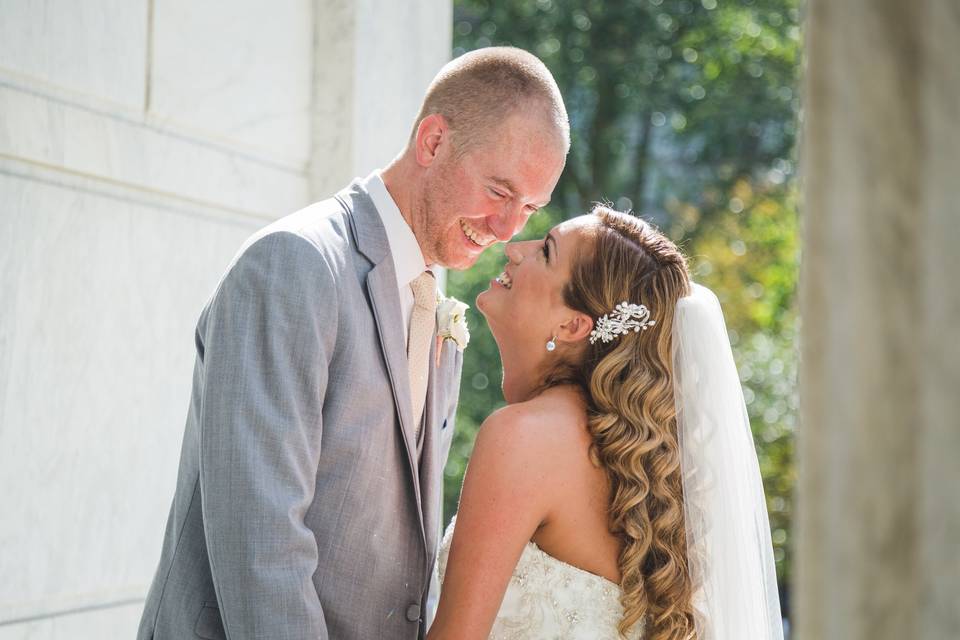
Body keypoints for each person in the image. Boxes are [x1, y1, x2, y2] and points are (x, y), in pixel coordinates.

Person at [137, 47, 568, 640]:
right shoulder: (295, 265)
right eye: (499, 191)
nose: (507, 229)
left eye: (530, 207)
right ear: (434, 141)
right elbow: (263, 543)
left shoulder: (432, 302)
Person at [429, 206, 784, 639]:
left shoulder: (525, 438)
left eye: (545, 252)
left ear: (574, 324)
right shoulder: (645, 472)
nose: (515, 249)